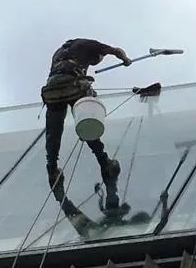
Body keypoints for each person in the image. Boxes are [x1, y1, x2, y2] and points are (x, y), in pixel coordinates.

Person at [40, 38, 132, 209]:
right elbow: (117, 51)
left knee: (54, 131)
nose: (97, 62)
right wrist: (126, 60)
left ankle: (52, 169)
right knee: (88, 120)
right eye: (98, 60)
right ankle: (104, 162)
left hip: (52, 91)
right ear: (95, 55)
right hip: (74, 86)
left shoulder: (61, 51)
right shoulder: (89, 45)